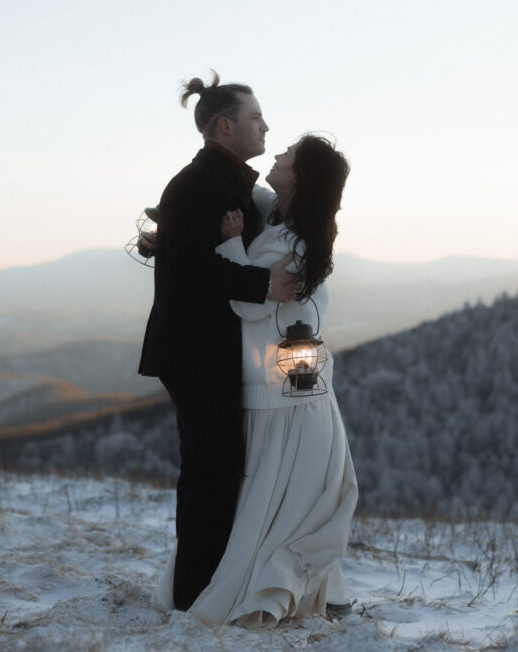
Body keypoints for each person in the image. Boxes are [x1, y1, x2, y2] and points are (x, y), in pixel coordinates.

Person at [155, 134, 359, 627]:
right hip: (291, 387)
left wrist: (228, 244)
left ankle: (271, 589)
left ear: (300, 176)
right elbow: (262, 196)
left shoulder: (290, 242)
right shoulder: (280, 219)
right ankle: (301, 588)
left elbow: (249, 303)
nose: (276, 155)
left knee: (271, 500)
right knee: (276, 504)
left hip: (279, 396)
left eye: (286, 155)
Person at [139, 72, 298, 612]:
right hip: (195, 355)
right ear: (224, 126)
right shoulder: (200, 184)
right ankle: (193, 598)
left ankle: (202, 590)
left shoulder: (226, 183)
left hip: (208, 353)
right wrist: (262, 284)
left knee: (216, 471)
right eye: (255, 118)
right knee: (213, 474)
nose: (265, 126)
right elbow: (187, 268)